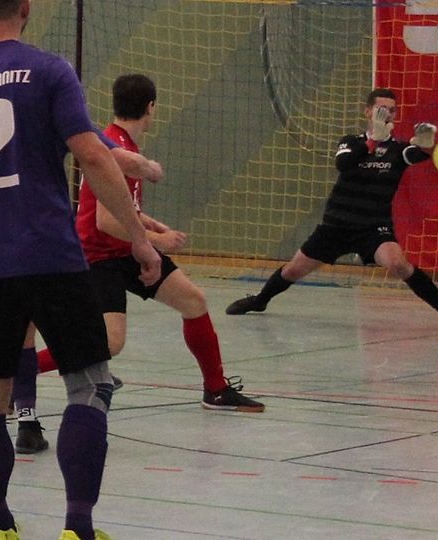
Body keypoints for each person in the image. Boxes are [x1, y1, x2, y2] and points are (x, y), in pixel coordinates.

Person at [0, 2, 162, 540]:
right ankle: (77, 526)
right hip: (53, 256)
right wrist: (142, 241)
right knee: (90, 386)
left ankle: (0, 525)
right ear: (27, 8)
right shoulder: (49, 70)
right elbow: (94, 158)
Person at [30, 73, 263, 431]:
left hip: (125, 250)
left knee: (193, 301)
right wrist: (157, 242)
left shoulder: (118, 143)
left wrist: (153, 228)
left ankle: (215, 389)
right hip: (99, 256)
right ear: (151, 107)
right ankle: (16, 375)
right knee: (109, 342)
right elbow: (107, 221)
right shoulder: (118, 150)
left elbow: (125, 209)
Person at [225, 88, 438, 334]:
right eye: (381, 109)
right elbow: (343, 164)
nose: (387, 114)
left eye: (392, 110)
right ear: (368, 111)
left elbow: (420, 153)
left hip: (373, 228)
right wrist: (373, 139)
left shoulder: (399, 150)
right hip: (336, 226)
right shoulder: (350, 142)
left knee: (398, 264)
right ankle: (260, 301)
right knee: (293, 270)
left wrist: (427, 142)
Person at [11, 133, 164, 455]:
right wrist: (148, 168)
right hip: (45, 233)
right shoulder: (47, 97)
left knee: (20, 333)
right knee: (83, 346)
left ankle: (26, 420)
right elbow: (105, 157)